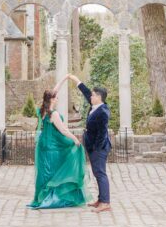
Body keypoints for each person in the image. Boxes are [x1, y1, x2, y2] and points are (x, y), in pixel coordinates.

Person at [26, 79, 90, 210]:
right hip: (53, 147)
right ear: (52, 100)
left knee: (44, 172)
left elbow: (53, 91)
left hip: (43, 146)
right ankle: (52, 198)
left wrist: (63, 79)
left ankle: (41, 197)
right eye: (56, 97)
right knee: (54, 171)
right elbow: (63, 130)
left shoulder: (42, 111)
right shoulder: (53, 114)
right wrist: (75, 139)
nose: (58, 98)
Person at [66, 74, 111, 213]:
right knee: (97, 173)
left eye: (92, 95)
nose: (90, 96)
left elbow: (102, 133)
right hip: (93, 147)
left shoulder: (103, 111)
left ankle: (105, 202)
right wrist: (76, 80)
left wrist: (96, 149)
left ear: (98, 97)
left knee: (100, 173)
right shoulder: (95, 105)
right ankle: (101, 199)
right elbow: (86, 92)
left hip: (99, 148)